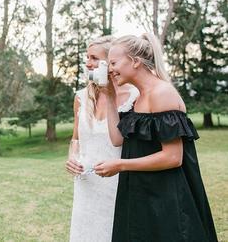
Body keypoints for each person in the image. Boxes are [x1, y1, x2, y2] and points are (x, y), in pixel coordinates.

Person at [94, 33, 218, 242]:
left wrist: (120, 164)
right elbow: (117, 139)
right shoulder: (139, 97)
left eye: (114, 62)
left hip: (165, 196)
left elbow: (173, 157)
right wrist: (110, 96)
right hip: (141, 192)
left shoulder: (162, 94)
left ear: (135, 61)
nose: (110, 69)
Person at [65, 35, 139, 242]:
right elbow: (76, 139)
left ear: (111, 61)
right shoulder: (81, 97)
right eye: (87, 57)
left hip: (116, 183)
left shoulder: (134, 96)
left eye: (94, 58)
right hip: (86, 184)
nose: (88, 62)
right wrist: (72, 158)